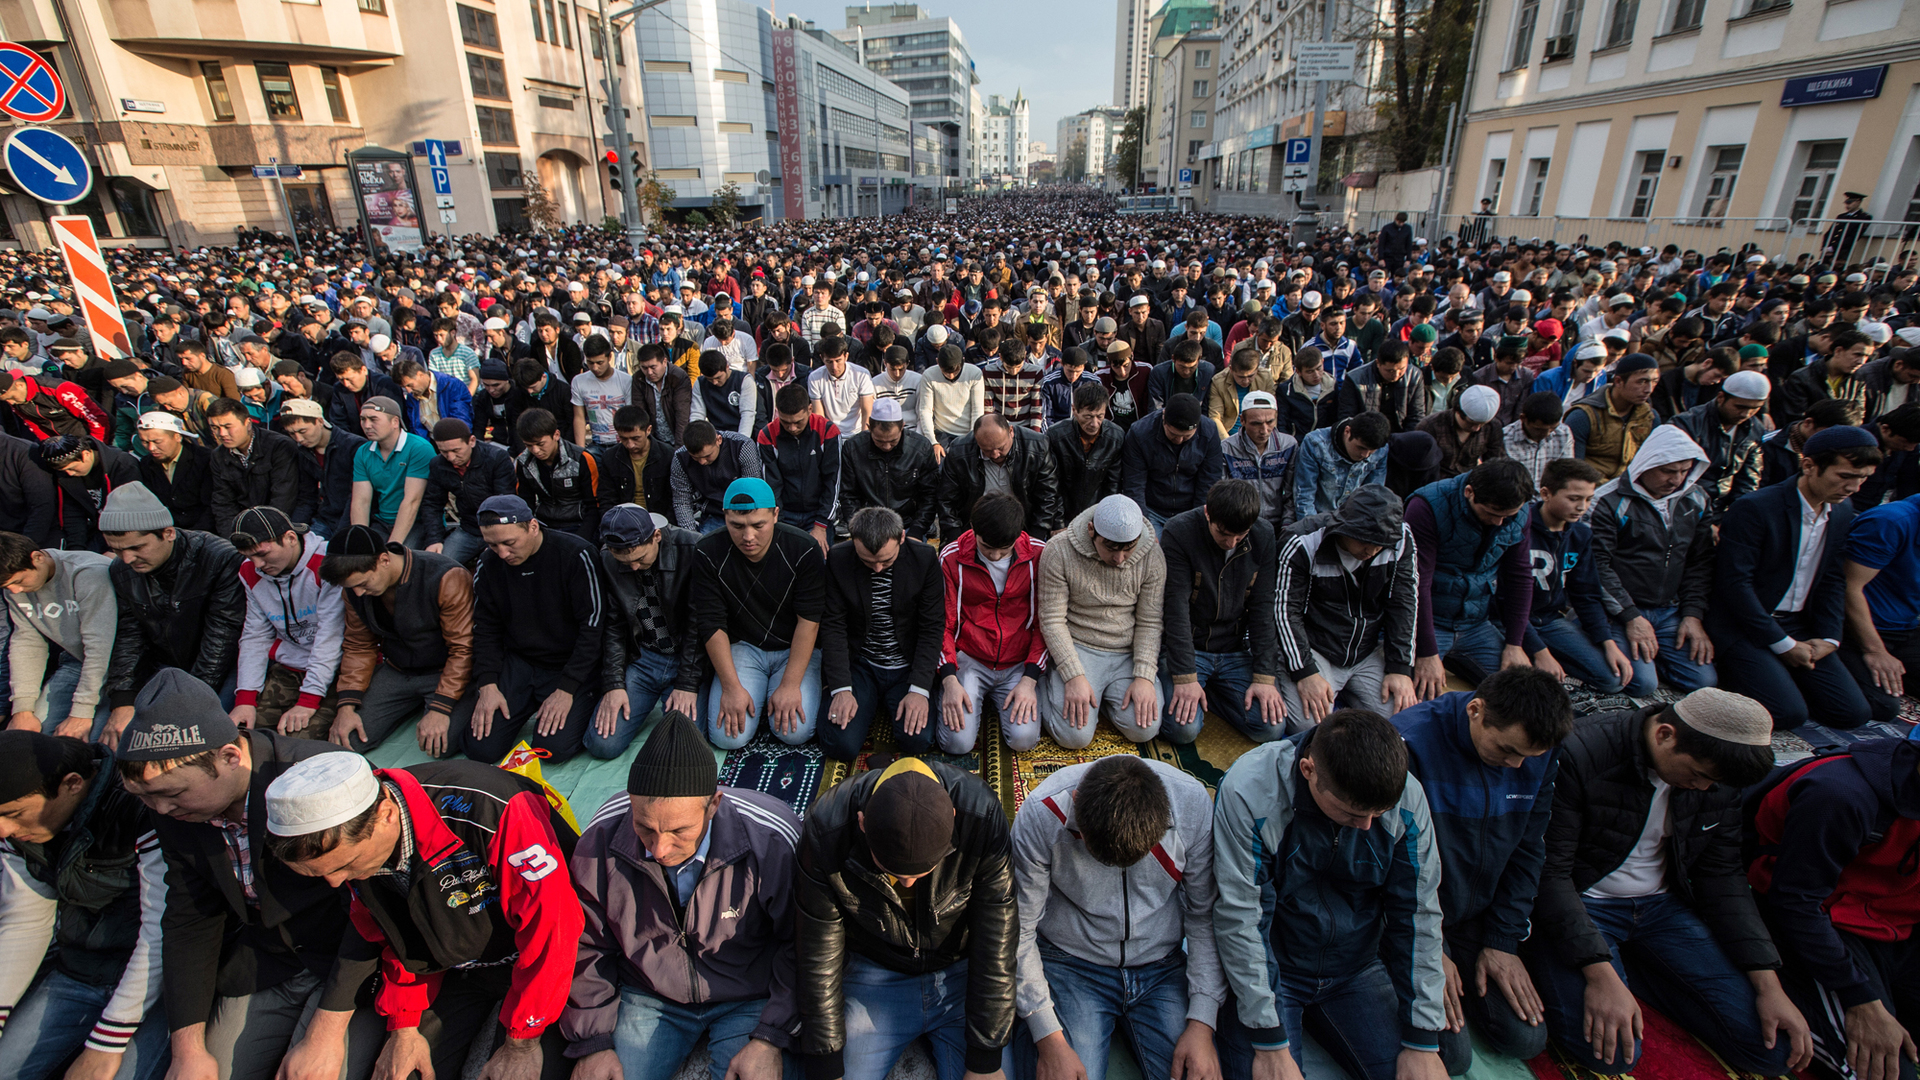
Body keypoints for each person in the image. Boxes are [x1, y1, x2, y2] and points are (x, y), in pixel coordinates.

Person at [114, 672, 384, 1080]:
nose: (162, 810)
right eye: (146, 798)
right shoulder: (174, 809)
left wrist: (324, 1033)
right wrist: (187, 1049)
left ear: (229, 756)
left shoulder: (316, 777)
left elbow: (379, 903)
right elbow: (190, 918)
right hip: (269, 961)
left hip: (354, 965)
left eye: (173, 794)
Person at [1524, 689, 1809, 1076]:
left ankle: (1642, 968)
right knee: (1611, 1056)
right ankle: (1618, 965)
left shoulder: (1719, 779)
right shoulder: (1582, 753)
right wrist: (1599, 972)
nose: (1704, 789)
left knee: (1774, 1050)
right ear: (1664, 735)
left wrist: (1767, 981)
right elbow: (1550, 874)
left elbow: (1721, 875)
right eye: (1698, 775)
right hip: (1581, 904)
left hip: (1662, 909)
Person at [262, 751, 582, 1080]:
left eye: (344, 865)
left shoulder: (489, 807)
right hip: (457, 969)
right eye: (322, 875)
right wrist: (403, 1025)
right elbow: (388, 934)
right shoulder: (357, 850)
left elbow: (554, 927)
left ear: (386, 813)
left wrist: (521, 1042)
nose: (336, 882)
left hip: (552, 969)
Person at [562, 712, 803, 1080]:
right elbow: (584, 944)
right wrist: (593, 1042)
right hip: (648, 994)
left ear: (714, 805)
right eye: (644, 827)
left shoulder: (770, 840)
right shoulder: (601, 838)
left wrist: (772, 1036)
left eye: (679, 830)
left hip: (752, 996)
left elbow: (804, 942)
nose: (659, 849)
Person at [1213, 707, 1447, 1080]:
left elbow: (1418, 914)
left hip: (1356, 968)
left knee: (1438, 1060)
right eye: (1353, 814)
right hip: (1276, 968)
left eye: (1378, 813)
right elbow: (1241, 916)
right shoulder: (1250, 789)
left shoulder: (1405, 797)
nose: (1368, 825)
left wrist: (1422, 1038)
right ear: (1309, 770)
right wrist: (1269, 1039)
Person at [1392, 667, 1573, 1075]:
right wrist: (1427, 947)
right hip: (1413, 919)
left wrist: (1503, 940)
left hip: (1476, 917)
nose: (1515, 766)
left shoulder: (1536, 754)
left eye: (1527, 757)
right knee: (1451, 1058)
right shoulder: (1410, 745)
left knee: (1526, 1038)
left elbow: (1530, 850)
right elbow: (1392, 864)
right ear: (1476, 710)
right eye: (1507, 750)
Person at [793, 756, 1016, 1080]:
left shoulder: (980, 814)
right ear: (862, 822)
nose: (908, 884)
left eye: (922, 872)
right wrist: (826, 1063)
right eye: (891, 871)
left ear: (953, 819)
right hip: (875, 975)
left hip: (958, 975)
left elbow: (998, 934)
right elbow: (817, 951)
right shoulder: (826, 828)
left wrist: (985, 1058)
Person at [1007, 755, 1222, 1080]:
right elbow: (1019, 931)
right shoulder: (1042, 814)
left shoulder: (1190, 806)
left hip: (1161, 967)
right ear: (1077, 804)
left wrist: (1203, 1023)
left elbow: (1204, 914)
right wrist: (1048, 1036)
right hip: (1071, 966)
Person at [1745, 735, 1920, 1080]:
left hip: (1893, 919)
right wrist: (1861, 999)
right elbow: (1795, 903)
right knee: (1887, 1072)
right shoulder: (1840, 795)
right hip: (1820, 922)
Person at [0, 729, 168, 1080]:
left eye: (14, 813)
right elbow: (25, 923)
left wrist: (105, 1044)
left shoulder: (139, 807)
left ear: (72, 783)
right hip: (78, 971)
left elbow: (163, 928)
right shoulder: (22, 834)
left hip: (160, 984)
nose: (3, 829)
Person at [1709, 425, 1880, 736]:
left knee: (1852, 712)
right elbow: (1735, 585)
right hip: (1747, 625)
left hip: (1800, 624)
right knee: (1787, 713)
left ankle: (1779, 676)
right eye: (1844, 477)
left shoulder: (1841, 511)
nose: (1853, 488)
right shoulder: (1757, 507)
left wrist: (1829, 638)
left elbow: (1831, 578)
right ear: (1809, 465)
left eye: (1862, 479)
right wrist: (1783, 644)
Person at [99, 483, 246, 747]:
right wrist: (123, 699)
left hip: (225, 669)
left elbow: (220, 639)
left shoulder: (217, 558)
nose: (127, 558)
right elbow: (129, 636)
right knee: (110, 734)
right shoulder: (120, 570)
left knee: (194, 737)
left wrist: (187, 702)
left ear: (167, 533)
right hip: (163, 666)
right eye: (118, 549)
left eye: (137, 547)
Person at [316, 524, 477, 756]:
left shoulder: (444, 576)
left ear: (383, 560)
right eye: (353, 588)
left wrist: (440, 708)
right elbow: (358, 645)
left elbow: (463, 649)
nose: (359, 593)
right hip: (397, 669)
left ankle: (446, 704)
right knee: (348, 739)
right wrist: (346, 706)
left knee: (439, 745)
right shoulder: (353, 590)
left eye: (363, 584)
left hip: (444, 671)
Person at [465, 494, 604, 763]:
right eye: (493, 545)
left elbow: (593, 627)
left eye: (509, 543)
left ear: (532, 526)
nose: (503, 553)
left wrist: (567, 688)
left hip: (568, 664)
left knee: (551, 750)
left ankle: (585, 699)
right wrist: (488, 684)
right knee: (480, 748)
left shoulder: (576, 554)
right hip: (520, 663)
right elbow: (485, 627)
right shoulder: (489, 563)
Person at [690, 477, 825, 751]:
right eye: (736, 526)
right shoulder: (707, 551)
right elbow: (711, 622)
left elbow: (809, 621)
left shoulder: (803, 549)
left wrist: (790, 685)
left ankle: (776, 693)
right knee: (728, 737)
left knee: (794, 732)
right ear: (724, 517)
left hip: (793, 647)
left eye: (757, 525)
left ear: (775, 514)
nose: (748, 537)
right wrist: (730, 687)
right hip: (743, 647)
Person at [1589, 423, 1718, 697]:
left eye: (1684, 471)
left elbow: (1700, 562)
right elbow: (1598, 565)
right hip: (1621, 609)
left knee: (1702, 681)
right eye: (1668, 471)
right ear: (1646, 465)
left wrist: (1693, 615)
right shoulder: (1609, 501)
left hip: (1669, 610)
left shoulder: (1696, 499)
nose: (1676, 479)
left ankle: (1654, 653)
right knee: (1641, 684)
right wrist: (1630, 615)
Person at [1152, 480, 1282, 744]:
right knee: (1183, 730)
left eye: (1240, 535)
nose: (1231, 542)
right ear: (1208, 513)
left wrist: (1264, 677)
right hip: (1190, 645)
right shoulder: (1179, 531)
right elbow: (1175, 609)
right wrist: (1186, 677)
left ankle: (1212, 695)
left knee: (1270, 727)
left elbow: (1263, 608)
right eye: (1223, 533)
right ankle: (1199, 689)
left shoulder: (1264, 534)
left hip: (1233, 647)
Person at [1036, 494, 1164, 749]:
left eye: (1129, 549)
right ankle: (1048, 683)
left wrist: (1144, 677)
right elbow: (1051, 619)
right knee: (1074, 737)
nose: (1120, 559)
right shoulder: (1059, 550)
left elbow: (1150, 621)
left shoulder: (1151, 555)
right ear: (1091, 530)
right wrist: (1073, 676)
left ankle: (1104, 698)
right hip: (1078, 646)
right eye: (1111, 548)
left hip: (1125, 652)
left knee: (1145, 729)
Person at [819, 508, 944, 762]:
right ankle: (868, 702)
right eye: (867, 562)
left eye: (886, 561)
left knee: (917, 741)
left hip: (906, 665)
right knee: (840, 745)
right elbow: (833, 626)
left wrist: (920, 689)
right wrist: (840, 688)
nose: (877, 569)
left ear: (901, 538)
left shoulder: (925, 559)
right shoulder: (839, 559)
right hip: (861, 664)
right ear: (852, 541)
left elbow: (932, 627)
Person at [1406, 458, 1536, 697]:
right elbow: (1417, 583)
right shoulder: (1426, 506)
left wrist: (1514, 643)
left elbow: (1519, 577)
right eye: (1492, 513)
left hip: (1476, 623)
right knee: (1417, 696)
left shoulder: (1518, 514)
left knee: (1524, 693)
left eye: (1508, 516)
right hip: (1429, 621)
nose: (1499, 522)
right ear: (1469, 492)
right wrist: (1427, 652)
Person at [935, 492, 1048, 754]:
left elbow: (1046, 623)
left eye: (1004, 550)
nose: (995, 556)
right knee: (957, 744)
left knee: (1024, 740)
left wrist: (1030, 680)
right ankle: (951, 697)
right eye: (987, 548)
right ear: (973, 529)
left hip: (1019, 664)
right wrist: (949, 680)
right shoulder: (951, 558)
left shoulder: (1039, 555)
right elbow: (943, 623)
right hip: (970, 660)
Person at [228, 507, 344, 741]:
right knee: (246, 738)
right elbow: (255, 635)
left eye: (263, 554)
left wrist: (309, 700)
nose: (258, 564)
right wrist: (245, 699)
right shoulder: (249, 572)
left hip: (336, 669)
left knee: (299, 741)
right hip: (289, 666)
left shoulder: (328, 564)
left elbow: (330, 637)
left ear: (290, 538)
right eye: (249, 556)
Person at [1522, 459, 1633, 691]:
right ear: (1546, 493)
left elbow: (1586, 594)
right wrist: (1539, 651)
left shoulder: (1580, 534)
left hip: (1550, 620)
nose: (1582, 507)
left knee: (1612, 679)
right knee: (1525, 685)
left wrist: (1607, 643)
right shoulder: (1520, 528)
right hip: (1513, 623)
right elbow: (1504, 602)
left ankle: (1554, 656)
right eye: (1573, 499)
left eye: (1588, 499)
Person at [1, 533, 115, 739]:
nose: (15, 591)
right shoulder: (13, 588)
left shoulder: (88, 573)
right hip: (75, 661)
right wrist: (22, 710)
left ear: (37, 558)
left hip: (120, 667)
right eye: (7, 587)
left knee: (93, 740)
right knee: (35, 738)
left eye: (19, 581)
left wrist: (81, 713)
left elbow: (100, 647)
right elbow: (26, 643)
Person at [1840, 492, 1920, 726]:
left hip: (1905, 627)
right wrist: (1875, 651)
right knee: (1881, 706)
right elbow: (1848, 587)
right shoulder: (1889, 522)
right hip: (1854, 630)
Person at [937, 413, 1063, 541]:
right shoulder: (959, 451)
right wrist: (956, 539)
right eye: (986, 450)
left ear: (1011, 431)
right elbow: (947, 500)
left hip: (1024, 526)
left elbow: (1048, 495)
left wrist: (1037, 536)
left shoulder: (1037, 446)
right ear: (976, 439)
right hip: (974, 529)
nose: (995, 455)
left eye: (1001, 448)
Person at [1667, 369, 1769, 519]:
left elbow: (1748, 480)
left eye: (1754, 409)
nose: (1745, 414)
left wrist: (1736, 516)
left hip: (1723, 510)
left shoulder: (1754, 429)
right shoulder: (1687, 424)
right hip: (1684, 509)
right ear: (1721, 397)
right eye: (1740, 407)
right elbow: (1675, 479)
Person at [1120, 394, 1224, 536]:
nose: (1179, 440)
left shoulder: (1209, 431)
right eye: (1174, 434)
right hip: (1152, 508)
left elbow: (1209, 481)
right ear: (1164, 418)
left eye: (1187, 436)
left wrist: (1199, 521)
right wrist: (1145, 526)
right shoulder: (1140, 433)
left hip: (1190, 508)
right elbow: (1134, 486)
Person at [837, 399, 938, 543]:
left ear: (902, 427)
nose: (887, 446)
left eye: (893, 441)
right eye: (879, 441)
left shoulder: (920, 449)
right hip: (868, 524)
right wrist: (857, 528)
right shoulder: (853, 449)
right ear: (869, 427)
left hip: (908, 523)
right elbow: (848, 495)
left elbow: (929, 495)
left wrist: (917, 530)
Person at [757, 383, 841, 551]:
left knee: (820, 561)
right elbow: (771, 485)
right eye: (786, 422)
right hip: (785, 513)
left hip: (818, 513)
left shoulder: (828, 431)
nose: (792, 428)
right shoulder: (767, 436)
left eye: (798, 422)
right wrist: (777, 522)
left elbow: (832, 481)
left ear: (810, 409)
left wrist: (821, 525)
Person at [420, 418, 515, 566]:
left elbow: (505, 502)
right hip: (468, 529)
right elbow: (432, 504)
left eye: (456, 450)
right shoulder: (438, 464)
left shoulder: (496, 458)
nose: (451, 458)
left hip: (498, 529)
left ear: (471, 441)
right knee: (438, 565)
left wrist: (496, 539)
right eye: (444, 452)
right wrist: (434, 540)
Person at [203, 397, 300, 537]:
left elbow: (283, 498)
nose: (222, 434)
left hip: (279, 526)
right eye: (215, 428)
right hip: (242, 528)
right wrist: (232, 538)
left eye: (228, 427)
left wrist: (262, 534)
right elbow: (223, 502)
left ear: (247, 423)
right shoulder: (218, 456)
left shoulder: (278, 446)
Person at [349, 396, 433, 548]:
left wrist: (393, 545)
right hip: (382, 522)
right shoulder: (363, 452)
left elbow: (412, 501)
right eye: (363, 419)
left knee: (395, 562)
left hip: (417, 523)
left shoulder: (419, 448)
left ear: (395, 422)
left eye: (373, 419)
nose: (367, 425)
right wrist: (361, 538)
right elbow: (361, 501)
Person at [513, 407, 602, 541]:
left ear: (556, 435)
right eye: (529, 445)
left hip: (578, 523)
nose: (535, 450)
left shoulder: (581, 459)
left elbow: (594, 506)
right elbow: (525, 503)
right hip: (543, 524)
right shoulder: (523, 462)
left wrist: (581, 538)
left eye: (540, 444)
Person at [1566, 354, 1659, 479]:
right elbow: (1573, 470)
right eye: (1642, 382)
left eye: (1654, 382)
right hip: (1592, 489)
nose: (1649, 389)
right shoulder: (1583, 416)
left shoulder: (1649, 417)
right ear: (1618, 381)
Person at [671, 420, 766, 535]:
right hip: (712, 513)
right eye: (695, 458)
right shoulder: (681, 458)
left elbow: (753, 490)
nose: (702, 462)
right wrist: (691, 535)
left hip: (745, 511)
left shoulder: (742, 446)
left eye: (707, 456)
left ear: (718, 440)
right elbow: (682, 501)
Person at [1293, 410, 1390, 518]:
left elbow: (1373, 496)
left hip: (1354, 522)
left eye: (1372, 450)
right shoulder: (1315, 444)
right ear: (1347, 431)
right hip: (1319, 519)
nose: (1366, 455)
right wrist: (1312, 531)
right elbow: (1304, 496)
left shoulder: (1382, 449)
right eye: (1360, 447)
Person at [595, 405, 673, 519]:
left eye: (636, 438)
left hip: (660, 520)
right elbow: (606, 499)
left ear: (648, 430)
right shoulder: (610, 458)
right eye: (624, 439)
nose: (630, 445)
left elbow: (674, 499)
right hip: (624, 522)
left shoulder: (667, 455)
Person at [1337, 338, 1427, 434]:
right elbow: (1347, 417)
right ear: (1378, 363)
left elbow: (1416, 416)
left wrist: (1406, 440)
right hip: (1366, 436)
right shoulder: (1355, 379)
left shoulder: (1414, 376)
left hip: (1402, 435)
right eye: (1390, 371)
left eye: (1402, 369)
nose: (1396, 375)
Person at [1417, 383, 1506, 479]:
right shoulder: (1430, 426)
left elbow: (1494, 462)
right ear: (1458, 412)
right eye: (1471, 423)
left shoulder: (1492, 427)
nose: (1477, 428)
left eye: (1482, 424)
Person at [916, 344, 985, 459]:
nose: (951, 375)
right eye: (946, 372)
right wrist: (933, 442)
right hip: (942, 433)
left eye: (956, 371)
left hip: (968, 432)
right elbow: (925, 410)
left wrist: (972, 438)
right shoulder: (929, 375)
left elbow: (977, 410)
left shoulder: (974, 373)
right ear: (937, 362)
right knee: (938, 465)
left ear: (963, 361)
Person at [1503, 392, 1574, 489]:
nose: (1547, 434)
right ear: (1523, 418)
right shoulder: (1506, 438)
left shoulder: (1563, 433)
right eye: (1539, 429)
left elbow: (1566, 472)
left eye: (1552, 429)